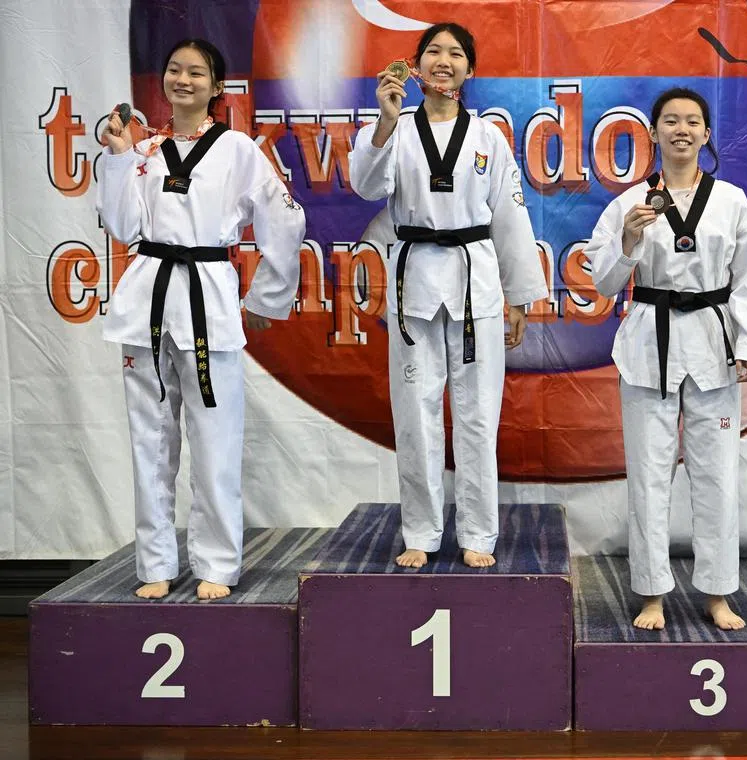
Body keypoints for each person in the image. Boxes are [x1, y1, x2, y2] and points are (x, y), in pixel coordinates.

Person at [97, 38, 305, 600]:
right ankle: (155, 563)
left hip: (207, 299)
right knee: (150, 440)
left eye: (196, 72)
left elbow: (285, 219)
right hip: (147, 301)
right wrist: (117, 157)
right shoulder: (146, 150)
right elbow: (122, 226)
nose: (182, 79)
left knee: (216, 439)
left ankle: (217, 562)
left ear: (216, 87)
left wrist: (266, 297)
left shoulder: (237, 149)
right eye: (173, 70)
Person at [348, 22, 547, 569]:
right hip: (415, 276)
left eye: (456, 53)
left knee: (478, 413)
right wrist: (385, 121)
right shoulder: (394, 127)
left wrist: (519, 296)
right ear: (415, 66)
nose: (444, 60)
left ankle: (479, 532)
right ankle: (421, 530)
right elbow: (366, 186)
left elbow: (510, 217)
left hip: (475, 279)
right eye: (433, 51)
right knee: (415, 412)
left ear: (469, 70)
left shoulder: (488, 137)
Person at [584, 88, 747, 630]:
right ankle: (651, 592)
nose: (681, 130)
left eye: (692, 121)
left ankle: (717, 591)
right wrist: (627, 241)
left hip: (714, 343)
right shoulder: (630, 203)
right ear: (653, 132)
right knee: (649, 474)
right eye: (670, 121)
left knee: (717, 474)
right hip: (650, 342)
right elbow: (603, 281)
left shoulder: (731, 200)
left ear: (706, 134)